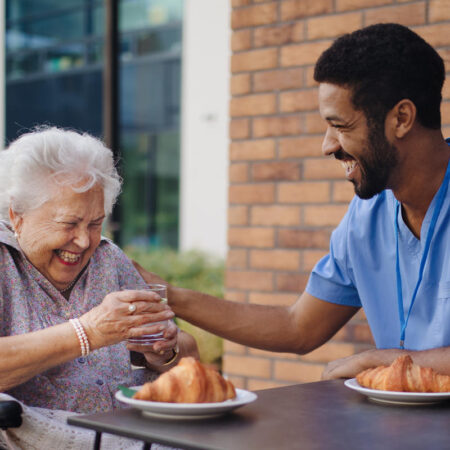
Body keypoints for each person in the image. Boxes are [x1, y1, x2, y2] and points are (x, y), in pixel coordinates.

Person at [135, 23, 450, 379]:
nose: (327, 145)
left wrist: (379, 361)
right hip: (401, 430)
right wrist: (165, 294)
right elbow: (297, 327)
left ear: (402, 119)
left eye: (341, 126)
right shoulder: (366, 218)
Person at [0, 126, 199, 448]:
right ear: (17, 215)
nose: (84, 241)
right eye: (69, 223)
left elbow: (186, 353)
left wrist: (163, 352)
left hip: (135, 435)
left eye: (95, 223)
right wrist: (89, 332)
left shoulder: (109, 258)